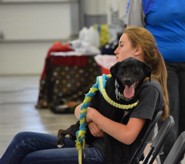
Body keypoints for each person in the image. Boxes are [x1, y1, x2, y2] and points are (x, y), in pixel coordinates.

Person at [0, 26, 169, 164]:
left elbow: (127, 136)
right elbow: (81, 107)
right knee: (23, 140)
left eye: (121, 45)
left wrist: (95, 115)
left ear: (137, 50)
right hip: (89, 140)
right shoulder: (118, 80)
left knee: (30, 160)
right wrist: (91, 119)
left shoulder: (149, 88)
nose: (116, 50)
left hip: (104, 153)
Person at [126, 0, 185, 162]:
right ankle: (167, 160)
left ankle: (173, 158)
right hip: (161, 65)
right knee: (169, 116)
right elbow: (133, 31)